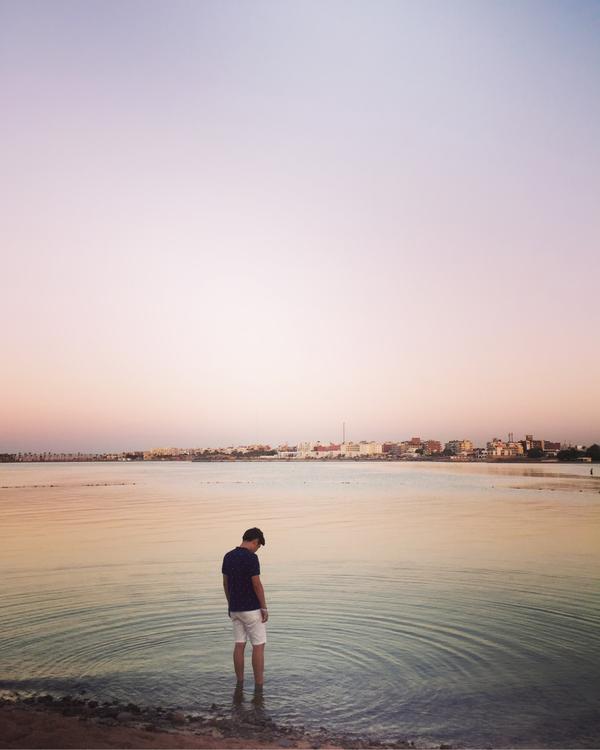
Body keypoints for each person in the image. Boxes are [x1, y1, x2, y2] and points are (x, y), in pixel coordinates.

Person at [222, 527, 268, 690]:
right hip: (251, 609)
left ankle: (240, 683)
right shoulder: (251, 558)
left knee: (239, 644)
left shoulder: (228, 556)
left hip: (235, 609)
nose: (257, 549)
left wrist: (230, 604)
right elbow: (257, 584)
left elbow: (225, 583)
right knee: (258, 645)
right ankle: (259, 686)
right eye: (258, 546)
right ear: (255, 541)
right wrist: (264, 608)